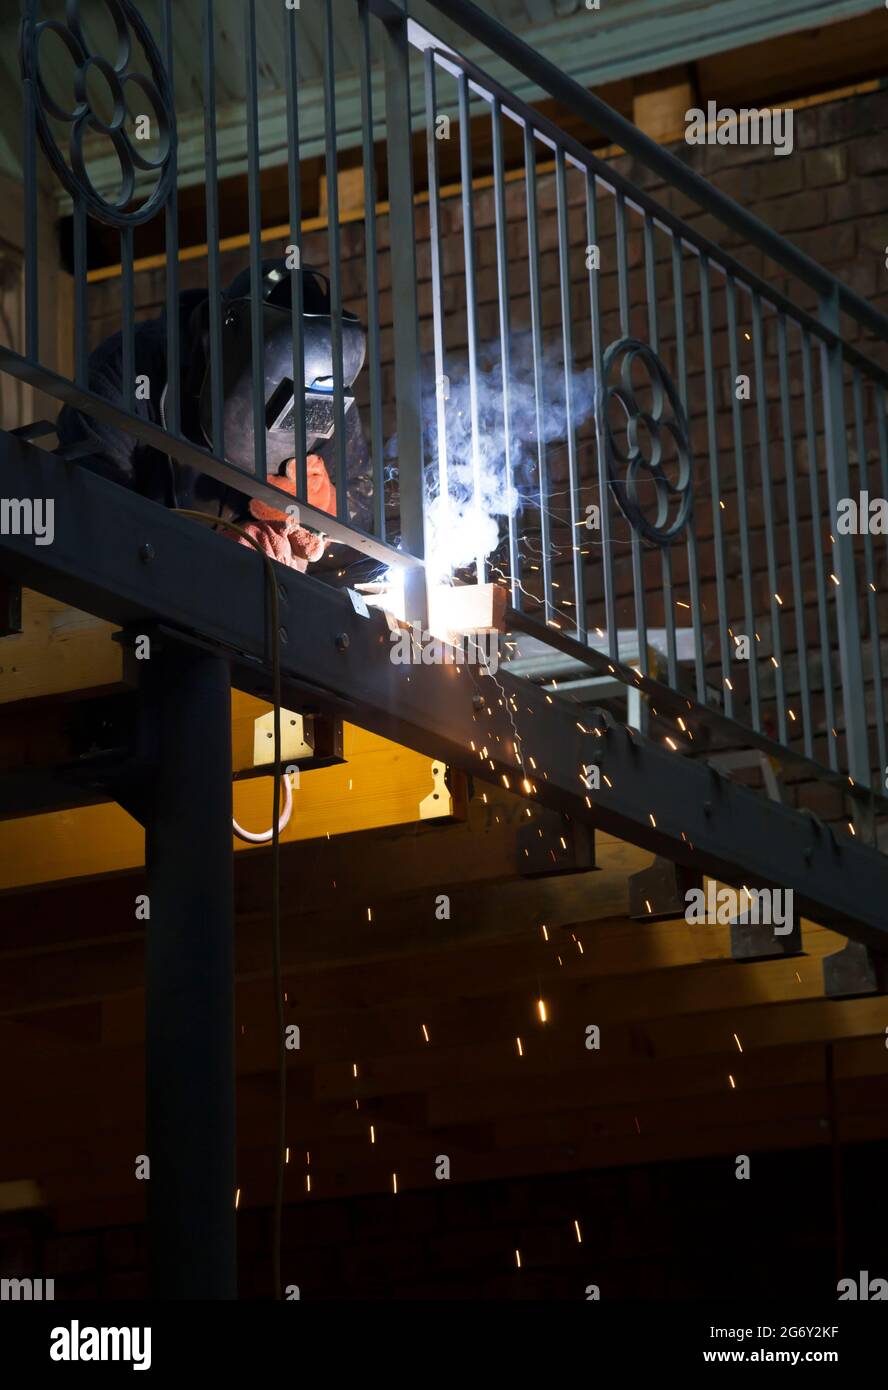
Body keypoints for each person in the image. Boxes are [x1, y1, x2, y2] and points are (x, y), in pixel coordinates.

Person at [56, 258, 374, 571]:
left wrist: (322, 504)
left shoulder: (325, 384)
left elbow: (363, 507)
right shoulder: (128, 371)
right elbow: (86, 512)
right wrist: (207, 560)